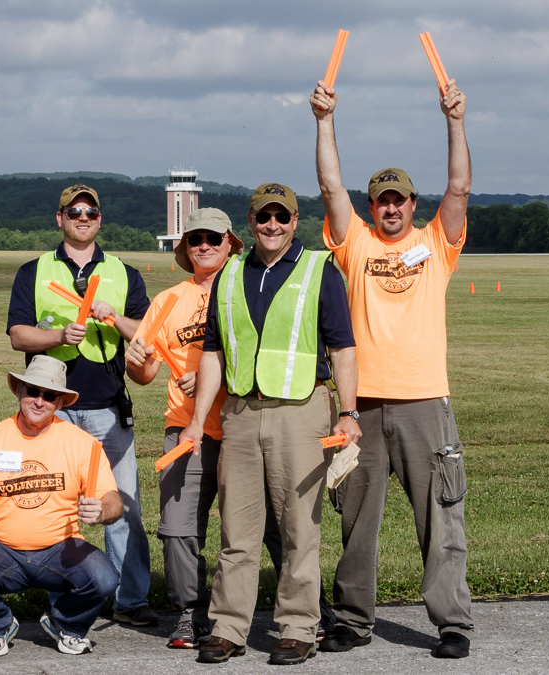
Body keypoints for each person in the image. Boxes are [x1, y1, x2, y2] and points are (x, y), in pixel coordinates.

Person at [310, 77, 475, 659]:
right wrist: (325, 120)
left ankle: (452, 621)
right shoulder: (353, 244)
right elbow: (330, 183)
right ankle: (353, 620)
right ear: (372, 205)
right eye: (381, 199)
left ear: (411, 203)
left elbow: (459, 186)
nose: (390, 207)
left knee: (440, 518)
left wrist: (454, 118)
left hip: (426, 402)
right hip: (362, 407)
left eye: (399, 198)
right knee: (356, 521)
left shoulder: (438, 243)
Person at [178, 184, 361, 666]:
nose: (272, 225)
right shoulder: (230, 272)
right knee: (236, 530)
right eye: (264, 216)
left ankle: (299, 627)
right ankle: (228, 627)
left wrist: (349, 411)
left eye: (282, 216)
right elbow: (213, 352)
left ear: (295, 219)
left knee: (300, 526)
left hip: (301, 412)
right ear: (251, 220)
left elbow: (342, 347)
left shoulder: (320, 270)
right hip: (239, 413)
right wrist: (198, 421)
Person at [6, 183, 157, 626]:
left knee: (123, 503)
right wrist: (57, 336)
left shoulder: (124, 272)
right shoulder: (32, 271)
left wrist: (114, 318)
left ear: (100, 219)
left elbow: (147, 334)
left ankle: (131, 600)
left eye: (91, 212)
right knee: (52, 503)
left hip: (107, 405)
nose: (83, 218)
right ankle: (66, 599)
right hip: (48, 407)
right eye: (74, 212)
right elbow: (18, 335)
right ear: (60, 219)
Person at [0, 355, 122, 658]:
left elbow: (112, 500)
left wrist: (102, 510)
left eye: (49, 395)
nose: (39, 401)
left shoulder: (82, 444)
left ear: (60, 403)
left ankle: (65, 624)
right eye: (32, 391)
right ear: (19, 391)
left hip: (61, 547)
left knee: (105, 578)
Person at [123, 207, 242, 649]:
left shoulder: (247, 288)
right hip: (185, 429)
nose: (204, 246)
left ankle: (303, 610)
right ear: (185, 250)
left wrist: (219, 378)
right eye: (195, 240)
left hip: (241, 425)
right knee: (177, 528)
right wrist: (137, 365)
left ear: (230, 242)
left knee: (262, 525)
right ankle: (190, 613)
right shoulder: (169, 300)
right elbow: (146, 372)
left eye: (213, 238)